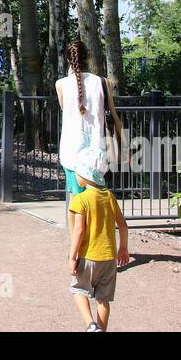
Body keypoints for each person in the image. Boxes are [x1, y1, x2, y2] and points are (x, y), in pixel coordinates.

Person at [56, 37, 123, 240]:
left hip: (71, 152)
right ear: (89, 56)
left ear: (68, 60)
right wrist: (123, 145)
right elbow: (114, 116)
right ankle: (98, 243)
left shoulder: (61, 84)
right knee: (97, 200)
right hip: (96, 153)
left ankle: (76, 247)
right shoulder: (104, 83)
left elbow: (65, 110)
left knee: (75, 202)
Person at [67, 147, 129, 332]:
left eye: (77, 171)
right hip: (109, 258)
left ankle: (90, 324)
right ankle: (102, 329)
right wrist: (123, 248)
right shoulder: (109, 196)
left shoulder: (81, 199)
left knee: (78, 291)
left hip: (88, 256)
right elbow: (123, 225)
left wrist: (72, 256)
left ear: (85, 175)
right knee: (103, 299)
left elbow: (79, 231)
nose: (76, 175)